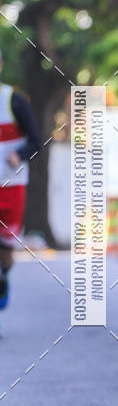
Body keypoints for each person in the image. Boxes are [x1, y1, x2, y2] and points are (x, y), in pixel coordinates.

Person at [0, 49, 42, 327]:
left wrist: (19, 154)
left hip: (11, 187)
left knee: (5, 252)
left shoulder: (13, 100)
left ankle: (3, 276)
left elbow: (37, 142)